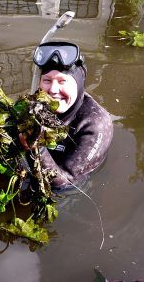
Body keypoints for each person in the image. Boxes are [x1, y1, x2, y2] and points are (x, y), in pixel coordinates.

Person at [22, 41, 113, 190]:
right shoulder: (36, 105)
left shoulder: (96, 123)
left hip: (72, 191)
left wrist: (36, 148)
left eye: (62, 81)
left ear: (79, 83)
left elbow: (67, 182)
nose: (53, 89)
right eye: (47, 80)